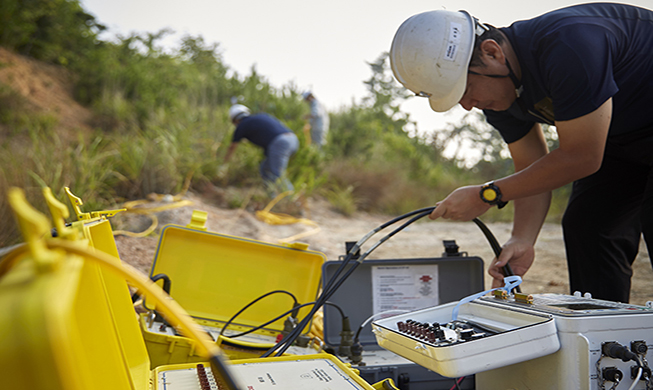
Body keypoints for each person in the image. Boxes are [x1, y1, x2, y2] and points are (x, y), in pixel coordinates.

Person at [389, 3, 653, 303]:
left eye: (465, 89)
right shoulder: (501, 93)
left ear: (492, 53)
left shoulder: (568, 45)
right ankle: (605, 339)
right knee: (588, 225)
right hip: (622, 136)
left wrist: (485, 194)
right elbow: (533, 169)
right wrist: (522, 239)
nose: (466, 105)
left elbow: (582, 157)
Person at [224, 104, 299, 196]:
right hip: (293, 139)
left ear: (235, 120)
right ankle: (272, 197)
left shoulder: (242, 125)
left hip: (280, 143)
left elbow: (232, 147)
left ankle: (294, 203)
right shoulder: (261, 116)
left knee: (278, 174)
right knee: (265, 169)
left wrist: (224, 164)